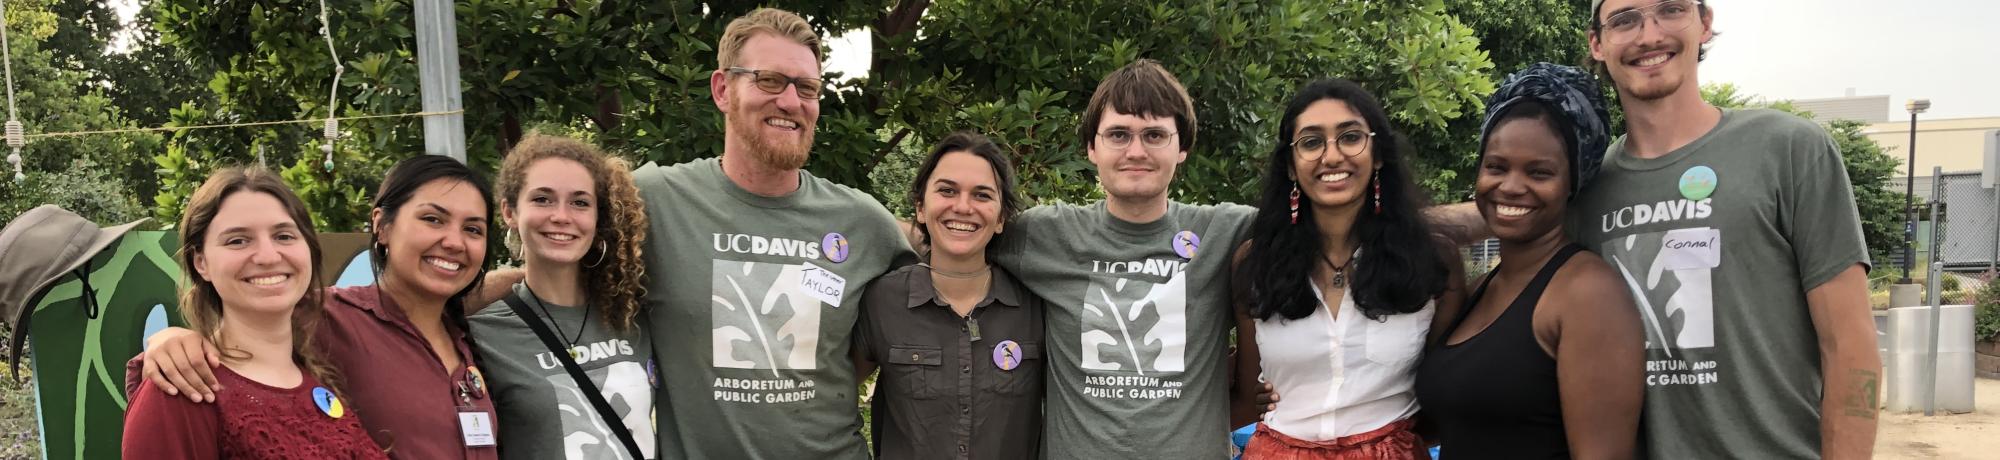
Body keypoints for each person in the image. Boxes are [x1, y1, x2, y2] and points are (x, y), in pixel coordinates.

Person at [1485, 1, 1875, 457]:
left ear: (1704, 23)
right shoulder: (1584, 189)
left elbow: (1851, 345)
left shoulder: (1788, 149)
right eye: (1624, 19)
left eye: (1670, 10)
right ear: (1597, 43)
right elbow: (1507, 204)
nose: (1649, 36)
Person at [627, 8, 916, 458]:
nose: (790, 101)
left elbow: (929, 309)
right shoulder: (653, 201)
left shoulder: (862, 222)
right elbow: (556, 280)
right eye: (769, 80)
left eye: (807, 88)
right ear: (723, 89)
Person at [136, 155, 502, 459]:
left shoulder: (473, 338)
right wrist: (166, 343)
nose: (454, 241)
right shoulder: (331, 316)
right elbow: (244, 328)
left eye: (473, 229)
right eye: (432, 219)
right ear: (382, 226)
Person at [985, 59, 1256, 458]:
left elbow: (1332, 234)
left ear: (1182, 147)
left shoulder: (1228, 233)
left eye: (1154, 135)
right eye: (1118, 134)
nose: (1136, 151)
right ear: (1091, 148)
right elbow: (945, 236)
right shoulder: (1042, 234)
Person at [1412, 63, 1643, 459]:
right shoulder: (1484, 286)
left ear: (1573, 182)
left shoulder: (1586, 294)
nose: (1511, 187)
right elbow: (1440, 423)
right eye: (1496, 167)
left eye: (1539, 172)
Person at [1228, 79, 1463, 459]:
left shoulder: (1431, 260)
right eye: (1311, 141)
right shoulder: (1256, 263)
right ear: (1291, 165)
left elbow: (1442, 395)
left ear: (1378, 154)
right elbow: (1252, 393)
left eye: (1350, 137)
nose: (1332, 156)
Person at [121, 167, 388, 459]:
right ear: (201, 263)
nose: (268, 256)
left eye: (284, 236)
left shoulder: (321, 376)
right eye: (237, 240)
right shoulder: (182, 391)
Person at [854, 131, 1045, 459]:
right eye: (947, 190)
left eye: (982, 195)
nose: (963, 206)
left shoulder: (1036, 304)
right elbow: (831, 398)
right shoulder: (881, 300)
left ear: (1000, 218)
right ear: (920, 207)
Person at [468, 134, 654, 459]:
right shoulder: (482, 334)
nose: (562, 216)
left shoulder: (632, 315)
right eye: (543, 199)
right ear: (510, 211)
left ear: (598, 217)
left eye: (580, 202)